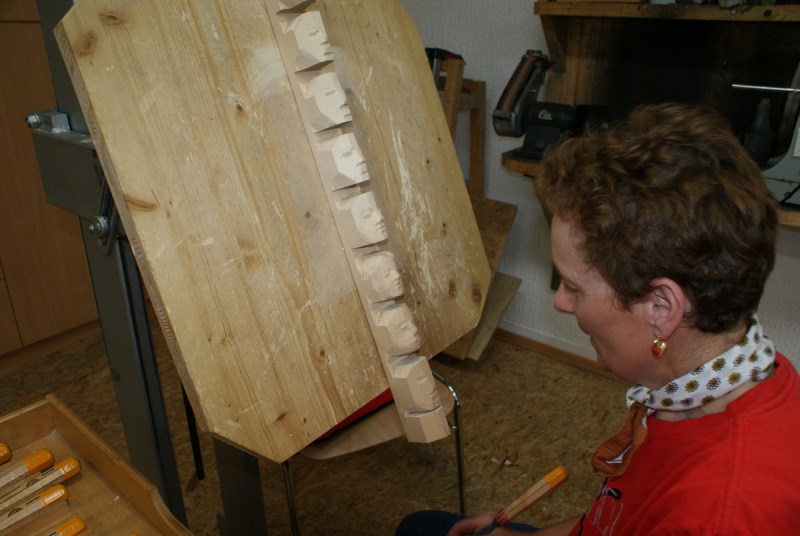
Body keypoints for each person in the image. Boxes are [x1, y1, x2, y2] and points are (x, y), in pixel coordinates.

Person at [395, 103, 800, 535]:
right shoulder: (733, 372)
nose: (561, 302)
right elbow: (616, 521)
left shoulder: (719, 513)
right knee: (422, 527)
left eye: (574, 287)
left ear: (661, 308)